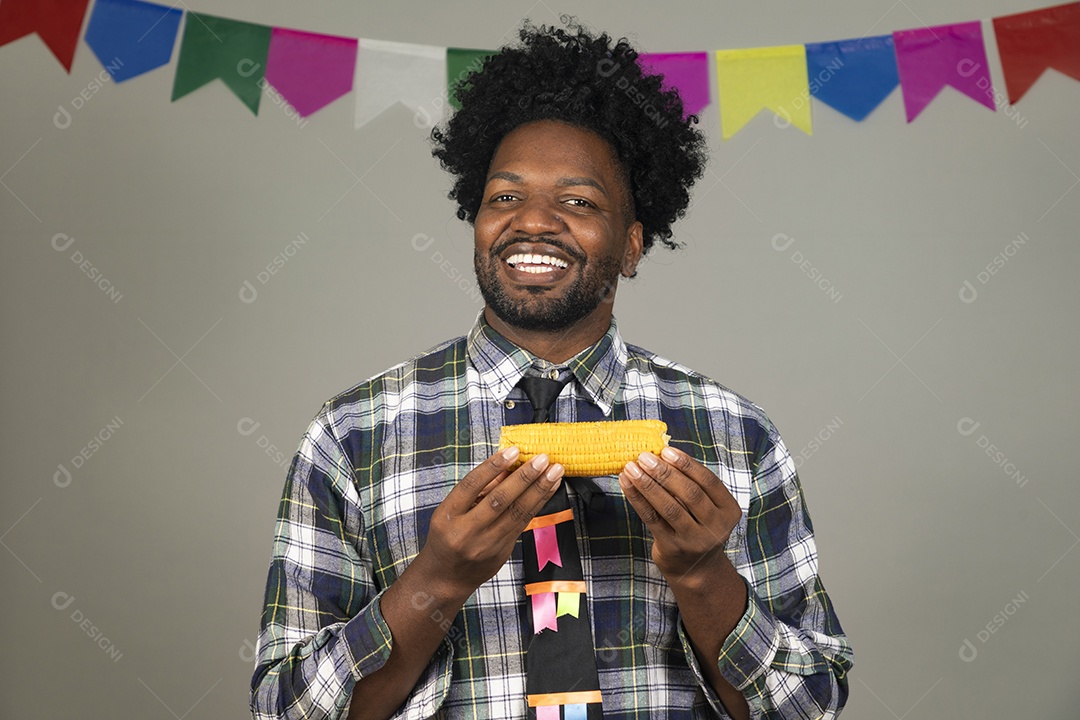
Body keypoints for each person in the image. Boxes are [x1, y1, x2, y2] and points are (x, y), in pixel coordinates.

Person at [250, 20, 853, 720]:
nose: (533, 222)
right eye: (505, 197)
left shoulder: (735, 434)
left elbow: (811, 707)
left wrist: (702, 575)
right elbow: (285, 710)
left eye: (579, 202)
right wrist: (437, 581)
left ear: (631, 246)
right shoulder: (352, 435)